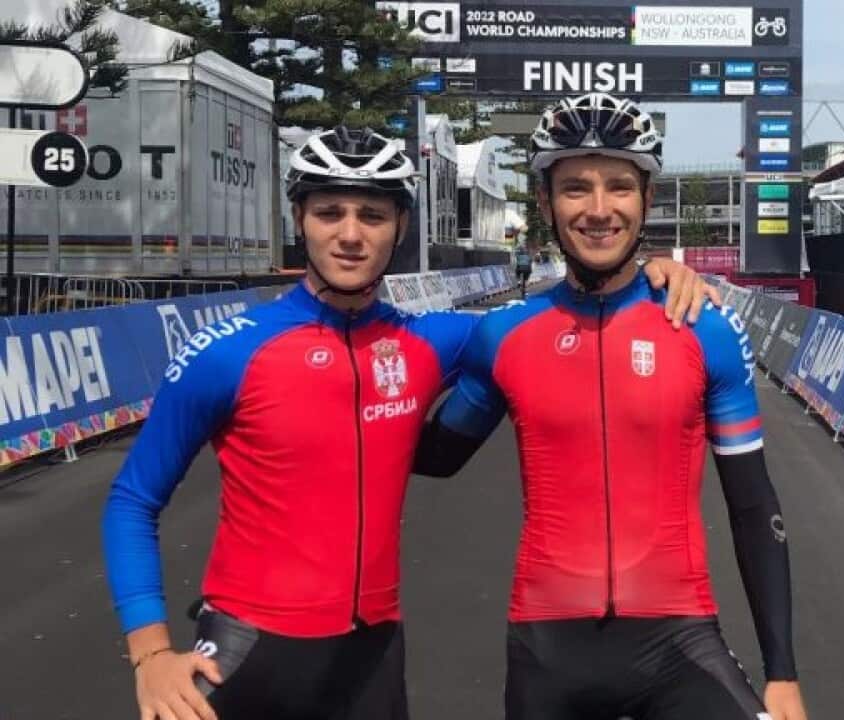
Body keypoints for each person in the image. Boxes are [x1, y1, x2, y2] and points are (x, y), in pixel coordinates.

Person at [101, 125, 718, 720]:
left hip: (371, 659)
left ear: (399, 227)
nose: (349, 235)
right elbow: (132, 500)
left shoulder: (432, 342)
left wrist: (659, 274)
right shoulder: (228, 350)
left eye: (371, 216)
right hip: (245, 649)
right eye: (328, 213)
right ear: (297, 221)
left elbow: (553, 322)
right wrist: (150, 651)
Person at [415, 92, 809, 720]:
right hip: (547, 649)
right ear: (545, 204)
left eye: (619, 186)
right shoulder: (504, 336)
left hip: (678, 640)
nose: (599, 210)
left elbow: (754, 505)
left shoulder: (703, 327)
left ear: (646, 198)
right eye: (575, 188)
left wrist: (782, 672)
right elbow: (431, 457)